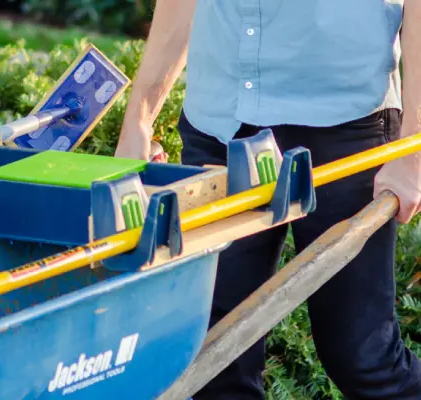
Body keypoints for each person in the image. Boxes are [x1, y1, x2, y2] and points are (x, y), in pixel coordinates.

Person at [115, 1, 421, 399]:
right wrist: (139, 121)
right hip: (220, 123)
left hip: (345, 120)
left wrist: (413, 150)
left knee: (365, 360)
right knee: (215, 361)